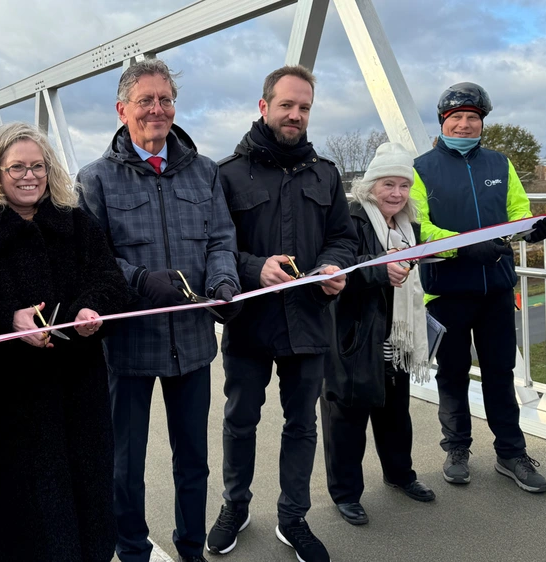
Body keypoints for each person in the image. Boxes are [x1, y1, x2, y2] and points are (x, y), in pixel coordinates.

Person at [77, 59, 242, 562]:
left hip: (192, 343)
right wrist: (139, 281)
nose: (157, 109)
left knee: (193, 460)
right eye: (145, 100)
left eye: (165, 99)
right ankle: (132, 550)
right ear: (122, 109)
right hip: (127, 348)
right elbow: (91, 258)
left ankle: (190, 548)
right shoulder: (96, 178)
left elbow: (221, 239)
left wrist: (224, 282)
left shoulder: (204, 171)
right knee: (124, 464)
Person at [0, 122, 131, 561]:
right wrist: (7, 319)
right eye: (16, 168)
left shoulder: (78, 225)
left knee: (86, 510)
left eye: (38, 166)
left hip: (78, 398)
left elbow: (111, 283)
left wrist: (92, 311)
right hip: (7, 406)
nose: (29, 176)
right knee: (19, 519)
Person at [207, 65, 356, 562]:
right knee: (240, 420)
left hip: (310, 320)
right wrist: (253, 267)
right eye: (287, 105)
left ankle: (293, 518)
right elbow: (215, 246)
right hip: (251, 323)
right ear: (264, 105)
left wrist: (336, 266)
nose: (296, 115)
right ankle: (235, 506)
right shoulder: (226, 174)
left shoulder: (326, 174)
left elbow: (344, 237)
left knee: (302, 425)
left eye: (305, 107)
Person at [411, 82, 546, 493]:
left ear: (481, 124)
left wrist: (531, 231)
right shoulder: (421, 167)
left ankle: (511, 453)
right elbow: (421, 226)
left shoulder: (500, 164)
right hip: (446, 290)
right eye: (456, 117)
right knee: (452, 376)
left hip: (495, 289)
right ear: (443, 122)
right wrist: (463, 247)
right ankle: (456, 449)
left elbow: (518, 212)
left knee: (500, 374)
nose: (464, 124)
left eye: (473, 118)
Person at [320, 142, 436, 527]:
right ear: (370, 186)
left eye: (404, 186)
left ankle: (400, 474)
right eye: (389, 184)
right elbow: (335, 270)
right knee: (347, 417)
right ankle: (346, 494)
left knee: (395, 413)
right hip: (354, 333)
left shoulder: (408, 226)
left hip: (395, 338)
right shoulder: (351, 220)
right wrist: (378, 271)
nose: (397, 194)